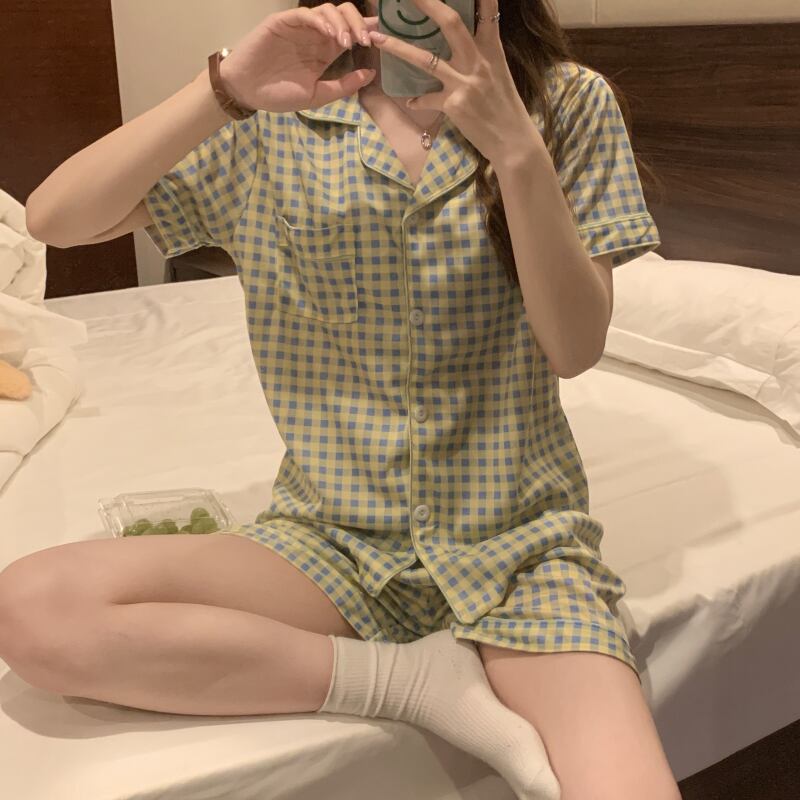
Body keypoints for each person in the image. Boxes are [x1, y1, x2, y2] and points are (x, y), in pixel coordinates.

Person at [7, 1, 681, 798]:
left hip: (518, 547)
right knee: (33, 608)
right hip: (331, 540)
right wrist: (224, 90)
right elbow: (55, 220)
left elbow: (574, 348)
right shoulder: (278, 115)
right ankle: (413, 682)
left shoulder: (567, 104)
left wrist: (515, 151)